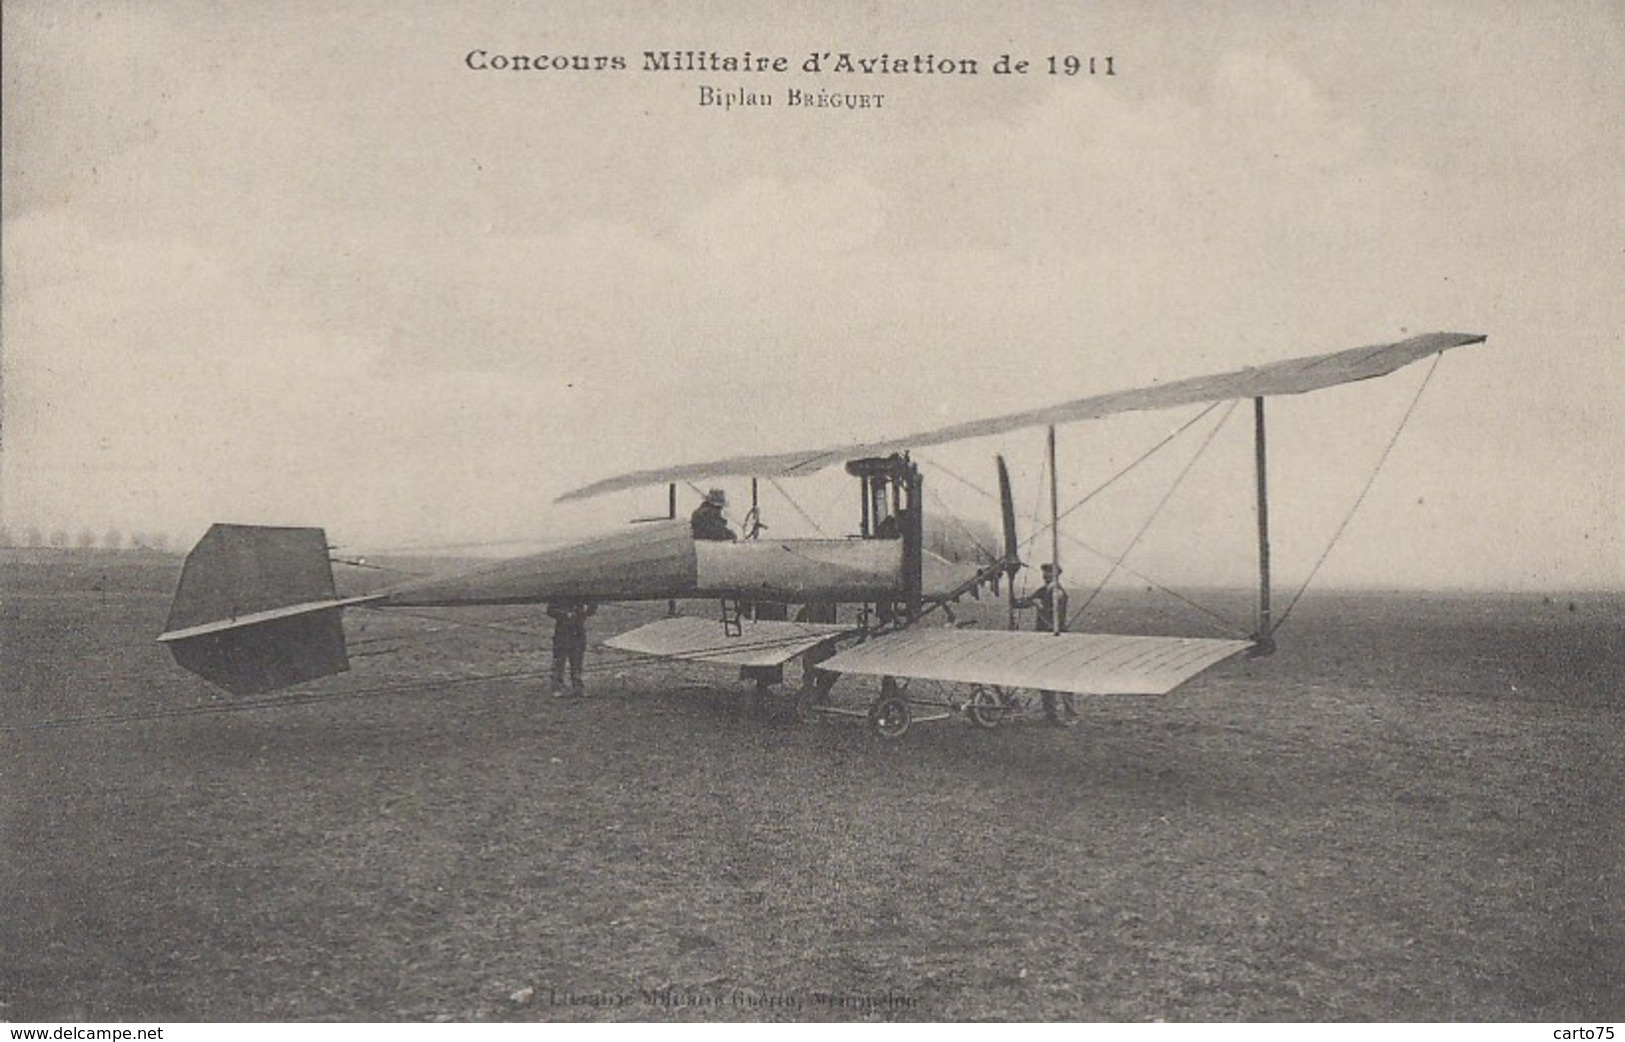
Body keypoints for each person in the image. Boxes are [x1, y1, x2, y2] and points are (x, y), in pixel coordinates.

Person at [1015, 564, 1078, 727]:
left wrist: (1039, 606)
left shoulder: (1058, 592)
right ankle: (1051, 714)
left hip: (1056, 638)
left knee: (1062, 676)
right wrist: (1017, 600)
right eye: (1045, 573)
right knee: (1044, 675)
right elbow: (1023, 603)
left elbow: (1055, 616)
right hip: (1043, 638)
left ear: (1056, 575)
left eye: (1049, 573)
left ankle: (1071, 715)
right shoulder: (1043, 591)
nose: (1046, 575)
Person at [547, 598, 596, 697]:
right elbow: (550, 610)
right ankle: (557, 687)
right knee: (559, 659)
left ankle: (578, 687)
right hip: (563, 629)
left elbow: (593, 606)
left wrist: (586, 610)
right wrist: (565, 614)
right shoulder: (559, 594)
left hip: (578, 629)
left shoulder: (583, 594)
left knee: (577, 659)